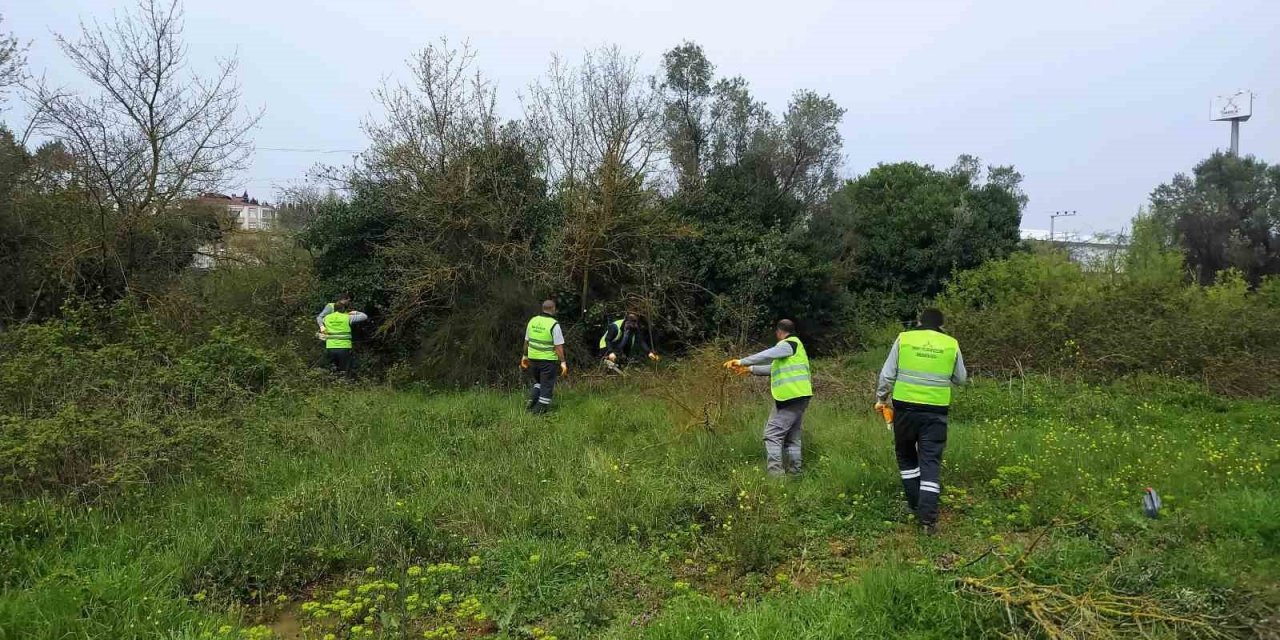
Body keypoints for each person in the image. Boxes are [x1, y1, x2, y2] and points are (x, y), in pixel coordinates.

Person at [877, 308, 967, 535]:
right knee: (930, 461)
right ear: (942, 325)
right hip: (936, 411)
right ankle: (928, 520)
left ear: (919, 321)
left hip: (905, 409)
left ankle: (915, 504)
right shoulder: (951, 343)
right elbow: (961, 379)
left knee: (906, 455)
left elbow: (887, 374)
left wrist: (881, 397)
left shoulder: (904, 338)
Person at [724, 319, 813, 476]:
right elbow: (774, 367)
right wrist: (749, 369)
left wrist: (741, 361)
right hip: (798, 397)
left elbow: (767, 354)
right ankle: (795, 474)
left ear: (779, 332)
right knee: (792, 438)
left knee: (772, 435)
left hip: (790, 398)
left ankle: (776, 477)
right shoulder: (794, 349)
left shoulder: (789, 344)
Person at [521, 299, 568, 414]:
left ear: (543, 308)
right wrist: (563, 362)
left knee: (539, 382)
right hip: (547, 361)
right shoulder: (554, 325)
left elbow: (526, 342)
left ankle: (531, 401)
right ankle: (538, 411)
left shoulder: (532, 321)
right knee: (547, 385)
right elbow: (558, 347)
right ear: (553, 309)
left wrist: (524, 356)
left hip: (532, 360)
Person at [319, 298, 368, 375]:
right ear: (343, 309)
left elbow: (319, 318)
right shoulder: (347, 317)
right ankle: (344, 384)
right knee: (344, 370)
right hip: (344, 347)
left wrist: (322, 327)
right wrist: (355, 312)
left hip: (330, 347)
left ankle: (333, 384)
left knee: (333, 369)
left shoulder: (326, 318)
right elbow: (364, 316)